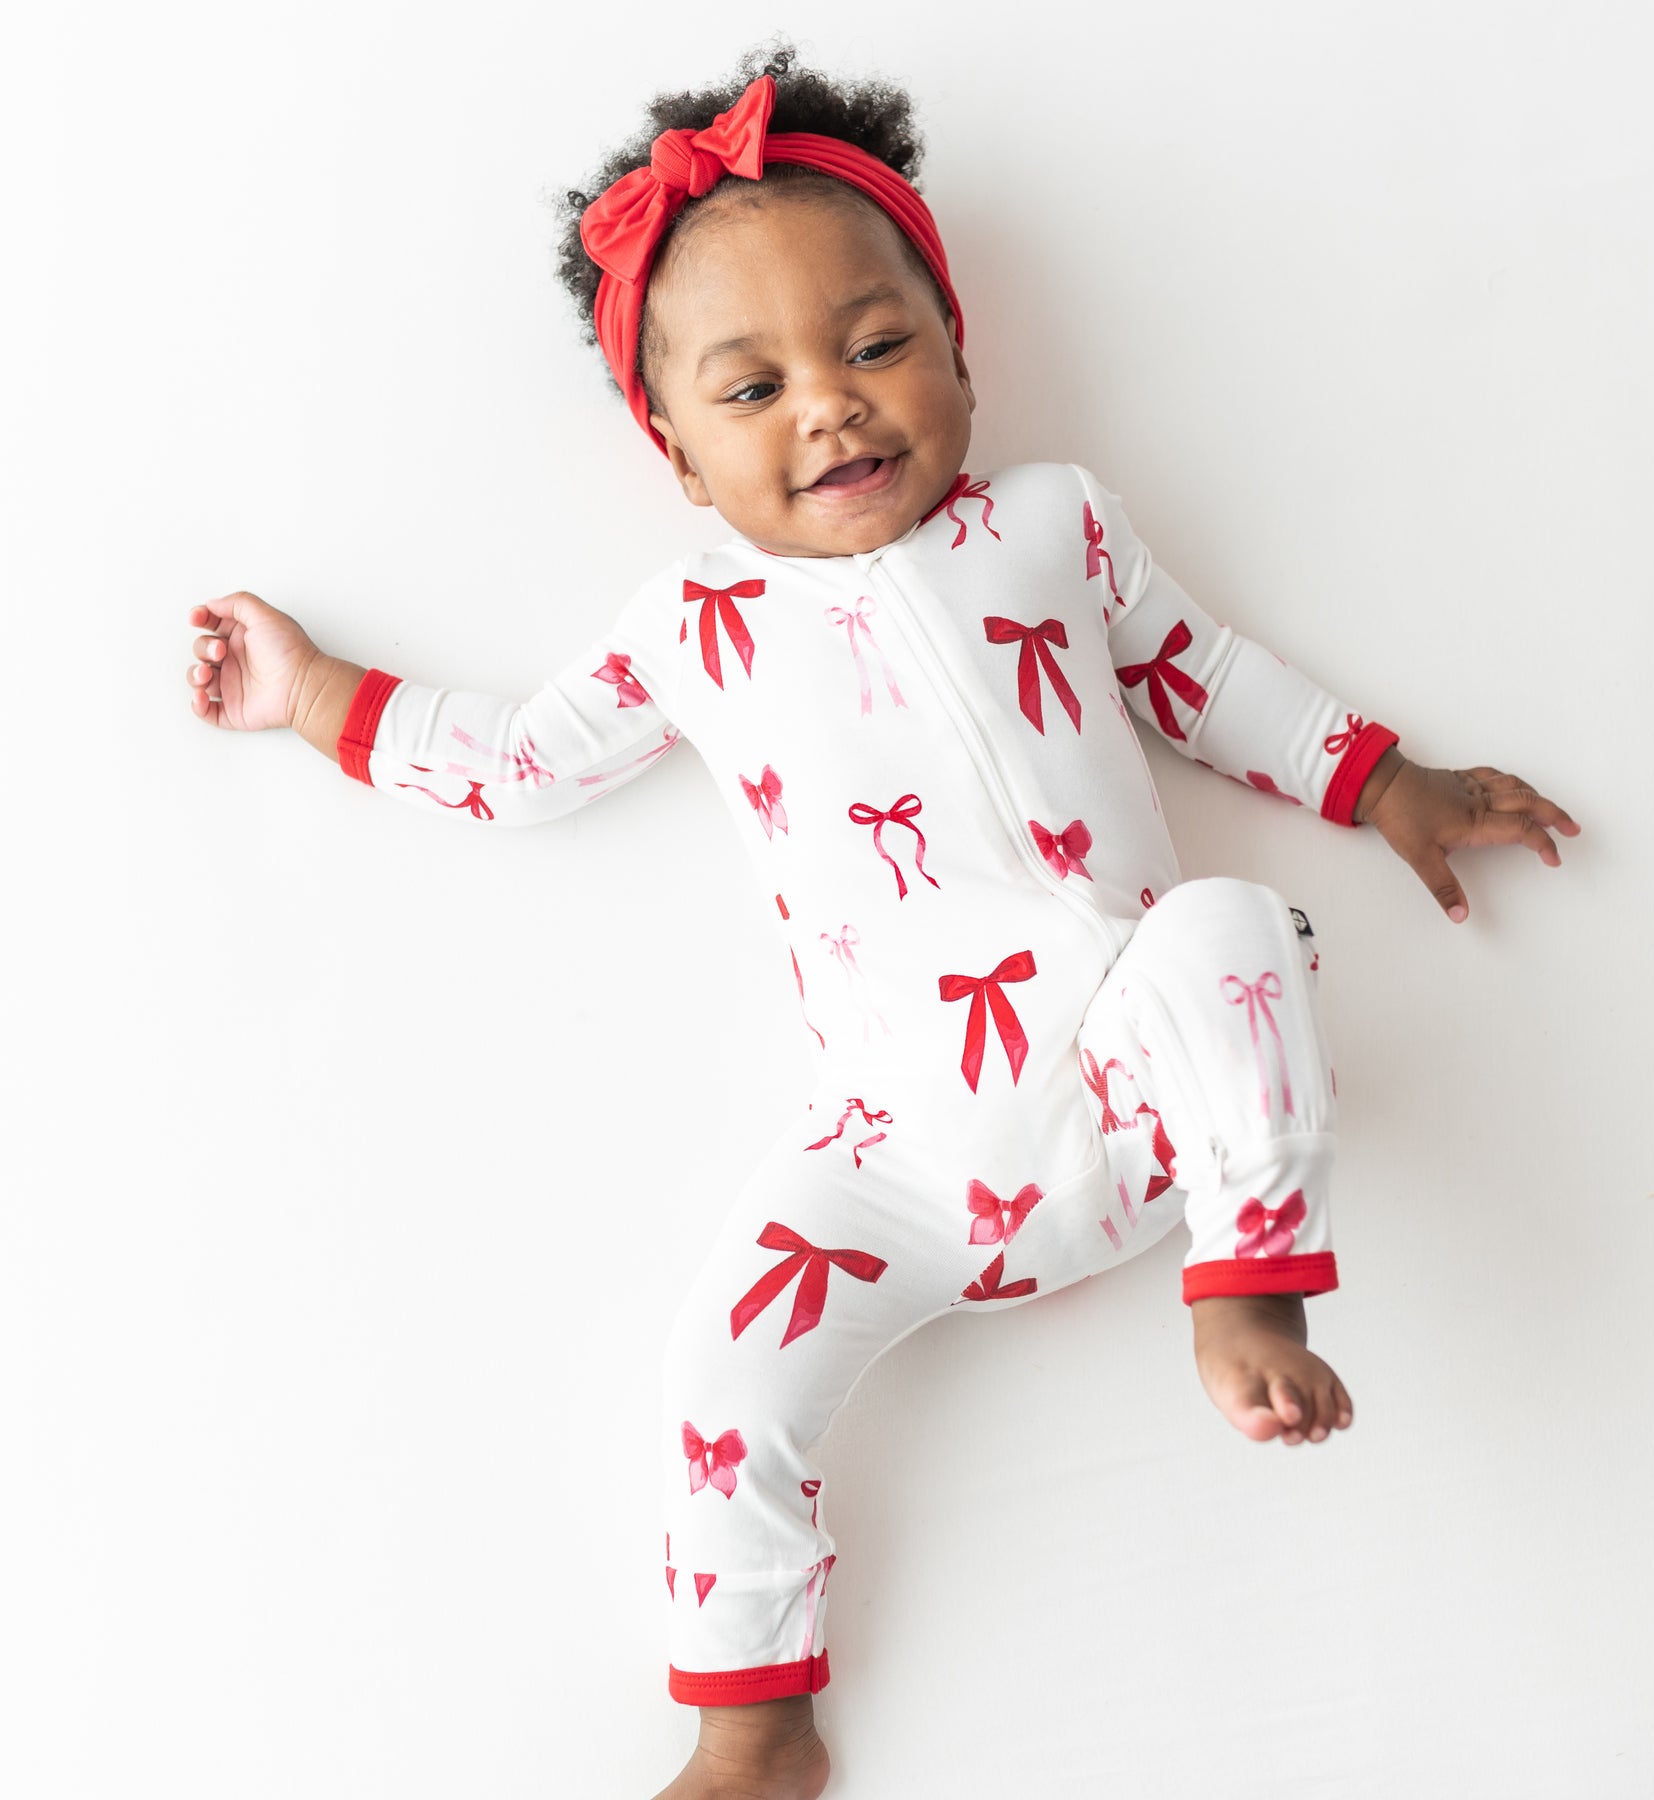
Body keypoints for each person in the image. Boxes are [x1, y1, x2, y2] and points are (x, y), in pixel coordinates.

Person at [183, 40, 1580, 1800]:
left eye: (873, 346)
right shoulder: (692, 628)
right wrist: (313, 695)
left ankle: (1250, 1299)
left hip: (1148, 1082)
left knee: (1234, 926)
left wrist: (1387, 783)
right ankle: (754, 1727)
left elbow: (1206, 679)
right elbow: (522, 760)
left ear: (959, 353)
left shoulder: (1057, 527)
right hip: (902, 1165)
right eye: (753, 388)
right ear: (683, 460)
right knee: (718, 1377)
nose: (831, 410)